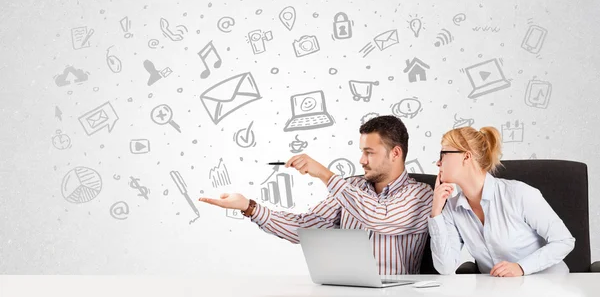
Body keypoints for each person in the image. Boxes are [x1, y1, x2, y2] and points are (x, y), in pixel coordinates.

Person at [200, 115, 433, 275]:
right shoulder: (352, 188)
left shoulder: (421, 195)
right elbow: (307, 227)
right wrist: (249, 207)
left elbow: (378, 217)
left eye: (369, 152)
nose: (361, 160)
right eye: (361, 152)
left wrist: (323, 173)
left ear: (395, 153)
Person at [429, 126, 575, 277]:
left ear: (466, 157)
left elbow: (564, 241)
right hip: (500, 289)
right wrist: (436, 213)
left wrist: (521, 267)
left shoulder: (518, 193)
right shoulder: (451, 209)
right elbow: (445, 268)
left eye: (443, 154)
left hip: (548, 284)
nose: (438, 163)